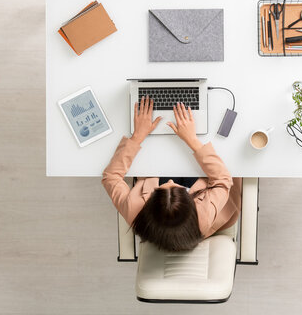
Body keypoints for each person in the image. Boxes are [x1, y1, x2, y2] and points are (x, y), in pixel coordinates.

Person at [102, 96, 241, 252]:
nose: (169, 179)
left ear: (148, 204)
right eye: (174, 186)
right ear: (191, 202)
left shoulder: (134, 209)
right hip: (205, 191)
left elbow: (111, 177)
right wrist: (191, 139)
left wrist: (138, 136)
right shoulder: (203, 214)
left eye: (162, 187)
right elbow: (222, 179)